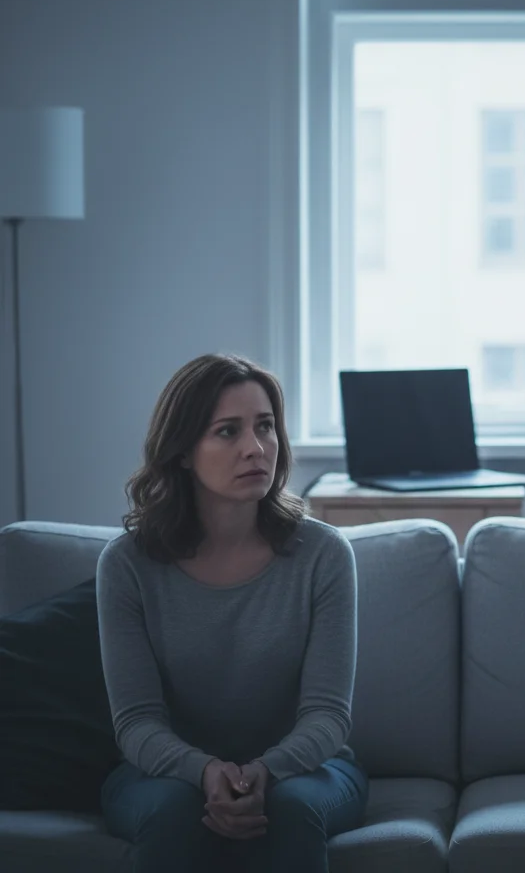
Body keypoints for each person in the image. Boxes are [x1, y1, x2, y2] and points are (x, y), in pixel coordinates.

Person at [96, 353, 369, 873]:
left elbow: (328, 715)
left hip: (306, 771)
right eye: (228, 432)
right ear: (181, 451)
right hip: (166, 776)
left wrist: (266, 771)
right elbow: (135, 721)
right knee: (173, 811)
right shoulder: (128, 564)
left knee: (291, 807)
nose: (255, 448)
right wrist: (204, 773)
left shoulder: (323, 554)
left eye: (265, 427)